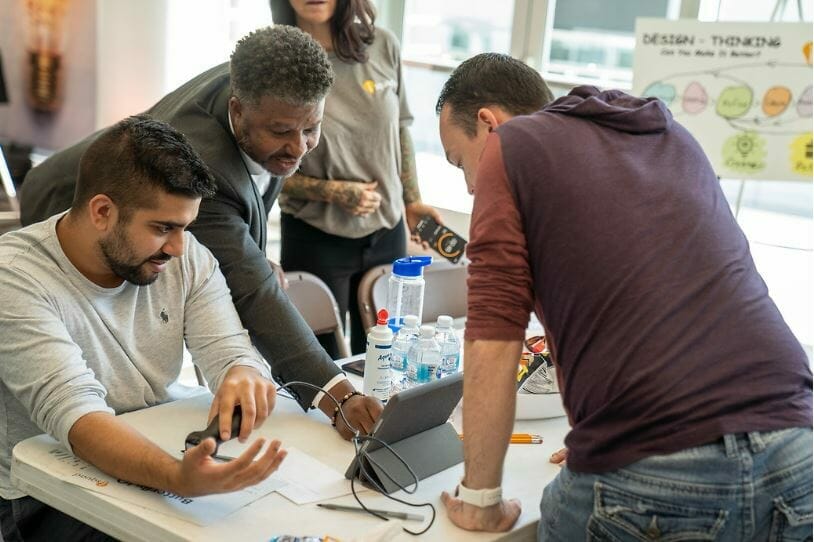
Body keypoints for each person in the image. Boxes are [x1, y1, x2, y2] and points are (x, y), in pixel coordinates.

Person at [435, 53, 813, 538]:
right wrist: (610, 423)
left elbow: (493, 335)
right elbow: (668, 295)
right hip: (797, 447)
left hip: (662, 474)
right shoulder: (671, 138)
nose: (468, 187)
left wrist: (481, 500)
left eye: (459, 161)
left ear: (488, 124)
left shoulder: (511, 146)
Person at [18, 26, 382, 438]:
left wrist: (247, 253)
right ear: (238, 109)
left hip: (133, 216)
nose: (299, 147)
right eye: (282, 132)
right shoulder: (204, 168)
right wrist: (338, 396)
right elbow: (254, 292)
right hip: (70, 208)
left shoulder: (270, 85)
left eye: (311, 128)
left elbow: (253, 199)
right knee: (88, 381)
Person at [0, 116, 287, 541]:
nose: (177, 248)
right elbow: (76, 416)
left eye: (185, 227)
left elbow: (230, 350)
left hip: (159, 453)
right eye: (162, 228)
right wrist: (175, 477)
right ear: (102, 212)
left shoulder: (183, 256)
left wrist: (243, 373)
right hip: (46, 491)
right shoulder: (15, 278)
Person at [270, 0, 442, 356]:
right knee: (321, 363)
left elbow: (400, 129)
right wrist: (332, 192)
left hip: (387, 232)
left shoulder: (383, 44)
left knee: (389, 354)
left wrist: (412, 200)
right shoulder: (276, 61)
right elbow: (262, 164)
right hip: (316, 234)